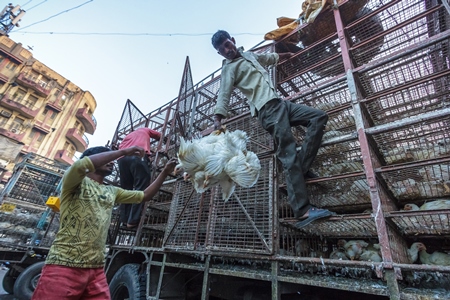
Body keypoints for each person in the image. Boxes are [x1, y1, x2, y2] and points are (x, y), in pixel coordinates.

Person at [211, 30, 333, 228]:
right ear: (219, 54)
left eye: (226, 44)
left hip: (279, 103)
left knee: (318, 117)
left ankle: (300, 170)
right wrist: (218, 118)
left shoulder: (248, 55)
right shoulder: (228, 68)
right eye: (221, 49)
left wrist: (284, 56)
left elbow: (266, 58)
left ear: (232, 41)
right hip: (267, 110)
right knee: (288, 152)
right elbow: (224, 93)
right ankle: (302, 210)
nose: (226, 50)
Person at [32, 146, 176, 300]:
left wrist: (165, 172)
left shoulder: (112, 191)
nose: (112, 162)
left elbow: (144, 195)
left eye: (113, 160)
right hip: (63, 266)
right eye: (106, 158)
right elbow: (81, 165)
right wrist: (122, 152)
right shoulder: (74, 182)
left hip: (96, 270)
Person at [118, 127, 161, 228]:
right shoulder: (145, 130)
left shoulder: (129, 135)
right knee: (141, 188)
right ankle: (132, 220)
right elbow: (160, 135)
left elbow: (120, 147)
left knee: (125, 190)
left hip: (121, 159)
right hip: (137, 155)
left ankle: (124, 220)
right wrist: (159, 147)